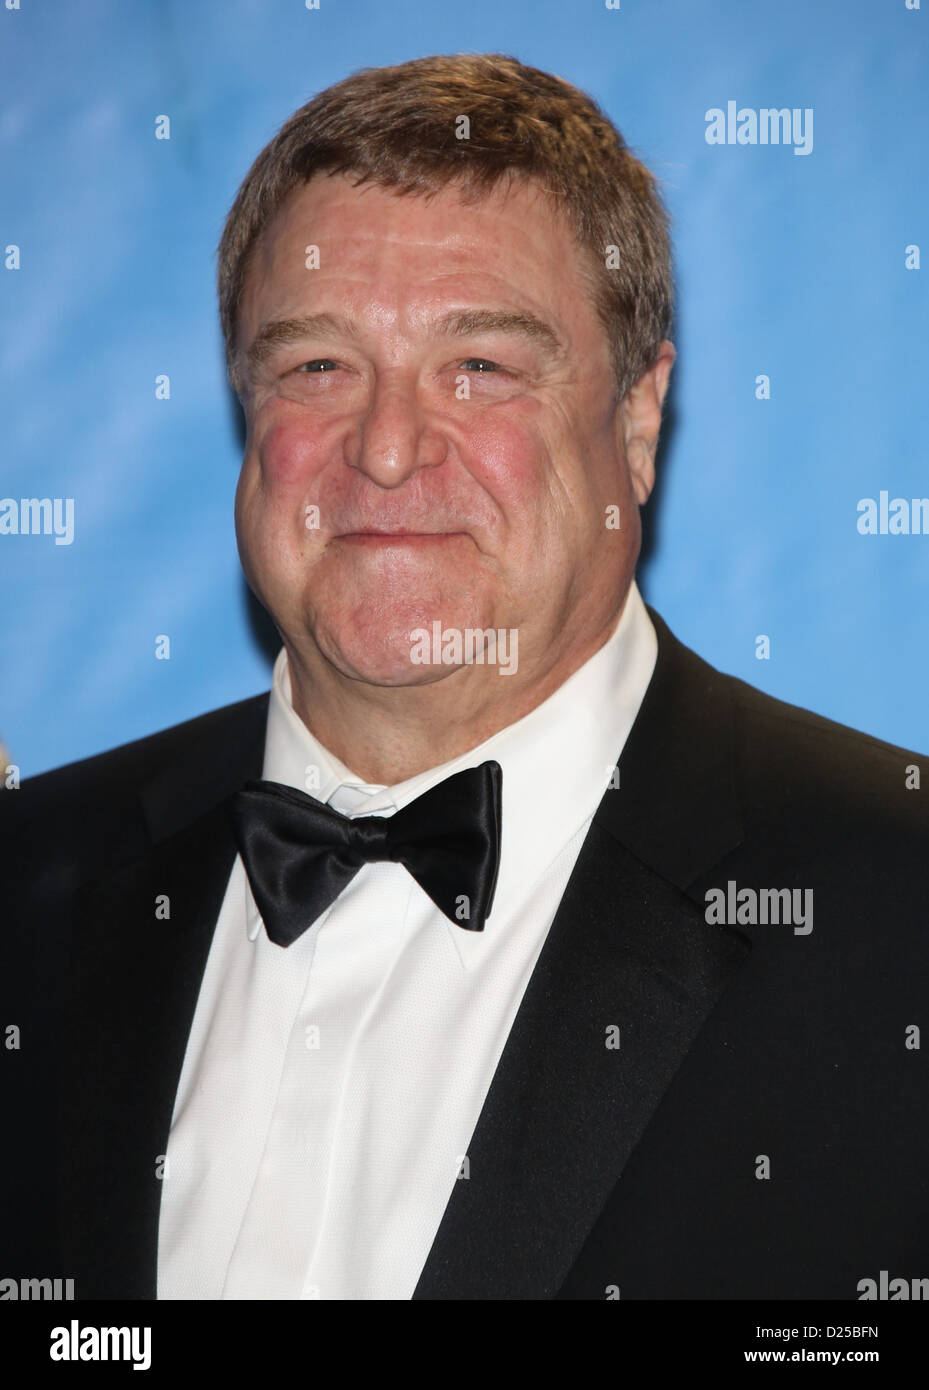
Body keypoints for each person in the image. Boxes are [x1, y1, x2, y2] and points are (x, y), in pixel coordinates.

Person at [3, 53, 927, 1302]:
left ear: (638, 420)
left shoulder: (894, 905)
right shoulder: (29, 884)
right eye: (316, 365)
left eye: (480, 365)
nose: (385, 449)